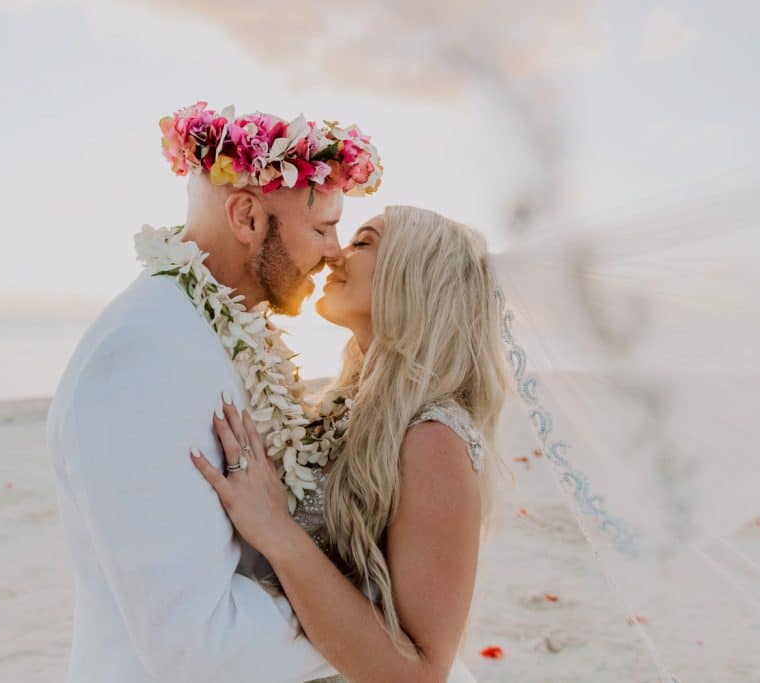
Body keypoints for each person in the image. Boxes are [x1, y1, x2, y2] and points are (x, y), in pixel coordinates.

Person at [46, 102, 381, 682]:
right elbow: (197, 648)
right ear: (247, 216)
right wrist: (379, 616)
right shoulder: (143, 356)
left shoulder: (218, 329)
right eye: (323, 227)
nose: (334, 252)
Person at [191, 207, 509, 683]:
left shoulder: (434, 438)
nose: (336, 253)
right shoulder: (349, 404)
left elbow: (422, 674)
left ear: (415, 275)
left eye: (363, 242)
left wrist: (276, 529)